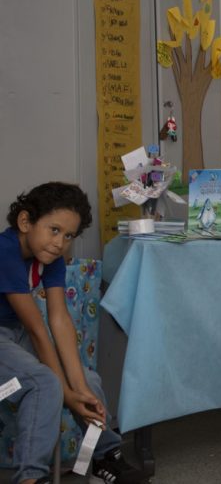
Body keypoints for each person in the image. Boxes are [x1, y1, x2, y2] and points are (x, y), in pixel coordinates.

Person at [0, 182, 146, 484]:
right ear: (25, 222)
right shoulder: (5, 250)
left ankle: (105, 456)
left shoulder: (48, 256)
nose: (60, 243)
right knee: (44, 383)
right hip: (9, 336)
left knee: (89, 379)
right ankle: (30, 479)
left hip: (13, 334)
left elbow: (59, 320)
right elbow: (37, 328)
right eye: (54, 230)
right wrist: (66, 392)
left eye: (68, 236)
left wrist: (78, 386)